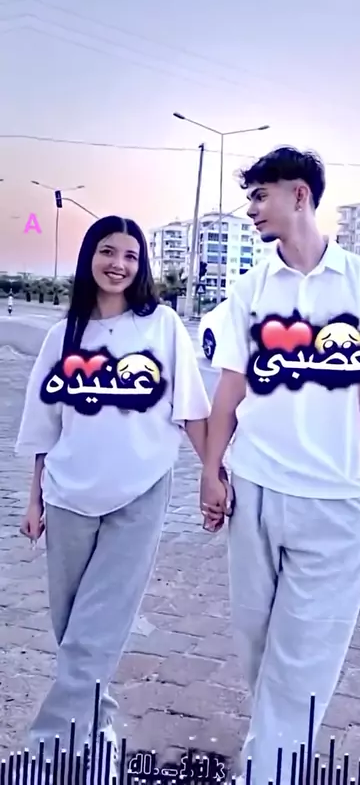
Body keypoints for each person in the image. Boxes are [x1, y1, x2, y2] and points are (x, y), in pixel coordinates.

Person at [200, 147, 360, 784]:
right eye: (250, 198)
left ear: (300, 196)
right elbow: (230, 387)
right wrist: (211, 469)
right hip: (255, 490)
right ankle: (275, 756)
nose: (252, 209)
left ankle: (267, 772)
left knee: (305, 660)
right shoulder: (249, 288)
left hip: (333, 503)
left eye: (261, 196)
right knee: (259, 650)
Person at [16, 215, 212, 781]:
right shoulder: (63, 336)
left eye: (130, 255)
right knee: (73, 631)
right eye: (107, 251)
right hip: (67, 495)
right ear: (89, 258)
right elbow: (44, 427)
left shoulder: (162, 326)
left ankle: (46, 753)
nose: (118, 264)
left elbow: (192, 411)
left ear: (141, 264)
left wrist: (213, 474)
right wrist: (34, 500)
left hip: (139, 493)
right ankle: (97, 732)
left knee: (96, 632)